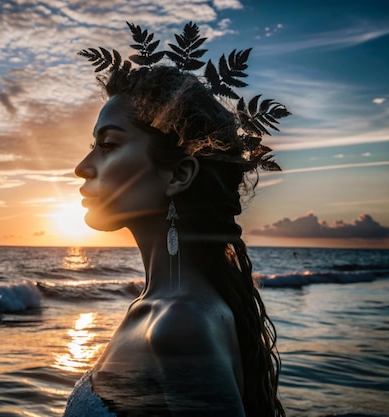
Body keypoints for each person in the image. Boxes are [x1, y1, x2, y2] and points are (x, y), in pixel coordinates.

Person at [64, 21, 289, 417]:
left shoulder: (179, 325)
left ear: (178, 175)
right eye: (92, 146)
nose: (83, 167)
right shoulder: (157, 307)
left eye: (108, 145)